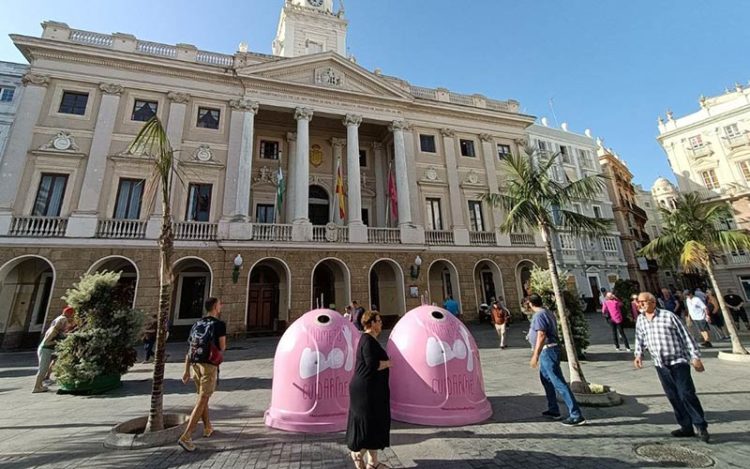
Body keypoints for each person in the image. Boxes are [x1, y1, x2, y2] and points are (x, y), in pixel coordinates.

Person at [633, 292, 709, 443]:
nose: (639, 304)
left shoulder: (668, 316)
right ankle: (686, 427)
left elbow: (686, 336)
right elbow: (640, 337)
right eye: (638, 302)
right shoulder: (641, 319)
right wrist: (638, 354)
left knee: (686, 394)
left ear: (653, 302)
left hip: (678, 361)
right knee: (673, 396)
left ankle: (700, 426)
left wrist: (695, 357)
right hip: (660, 365)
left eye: (643, 302)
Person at [527, 294, 585, 426]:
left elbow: (541, 334)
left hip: (547, 351)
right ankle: (554, 409)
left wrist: (535, 354)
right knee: (546, 380)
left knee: (558, 382)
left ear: (530, 303)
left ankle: (576, 414)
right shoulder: (547, 312)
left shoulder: (539, 315)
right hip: (548, 350)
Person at [178, 297, 227, 452]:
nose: (221, 306)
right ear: (214, 307)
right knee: (202, 400)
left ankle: (207, 427)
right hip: (208, 366)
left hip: (195, 365)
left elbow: (190, 347)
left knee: (201, 396)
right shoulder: (219, 324)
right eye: (219, 304)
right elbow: (222, 347)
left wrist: (186, 370)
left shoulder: (197, 324)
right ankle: (186, 436)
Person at [346, 311, 391, 469]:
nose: (381, 324)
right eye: (378, 321)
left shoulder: (369, 340)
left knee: (373, 422)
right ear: (371, 323)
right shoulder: (368, 341)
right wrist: (388, 363)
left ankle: (373, 463)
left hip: (370, 389)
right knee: (370, 423)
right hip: (365, 390)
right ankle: (358, 454)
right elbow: (372, 365)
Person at [33, 306, 75, 393]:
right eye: (65, 323)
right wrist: (58, 343)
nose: (66, 325)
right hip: (45, 349)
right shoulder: (53, 331)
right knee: (43, 368)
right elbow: (47, 343)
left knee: (47, 366)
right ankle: (36, 387)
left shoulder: (57, 329)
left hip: (48, 350)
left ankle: (40, 385)